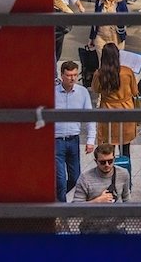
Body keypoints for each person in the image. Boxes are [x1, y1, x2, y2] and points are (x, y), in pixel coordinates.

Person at [90, 43, 141, 174]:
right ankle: (127, 177)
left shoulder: (99, 74)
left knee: (108, 149)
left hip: (108, 113)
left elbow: (95, 89)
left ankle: (109, 176)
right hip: (126, 112)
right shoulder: (127, 72)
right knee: (126, 149)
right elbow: (135, 91)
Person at [54, 60, 95, 202]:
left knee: (75, 177)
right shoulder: (53, 93)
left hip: (73, 139)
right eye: (69, 75)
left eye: (75, 75)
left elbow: (90, 116)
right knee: (60, 179)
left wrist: (90, 140)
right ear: (62, 75)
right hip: (56, 140)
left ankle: (58, 196)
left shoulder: (82, 92)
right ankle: (61, 209)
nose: (72, 78)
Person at [67, 143, 132, 203]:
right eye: (102, 162)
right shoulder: (85, 178)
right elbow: (76, 206)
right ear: (96, 161)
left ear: (114, 159)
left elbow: (126, 199)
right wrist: (97, 201)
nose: (107, 165)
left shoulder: (123, 173)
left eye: (110, 161)